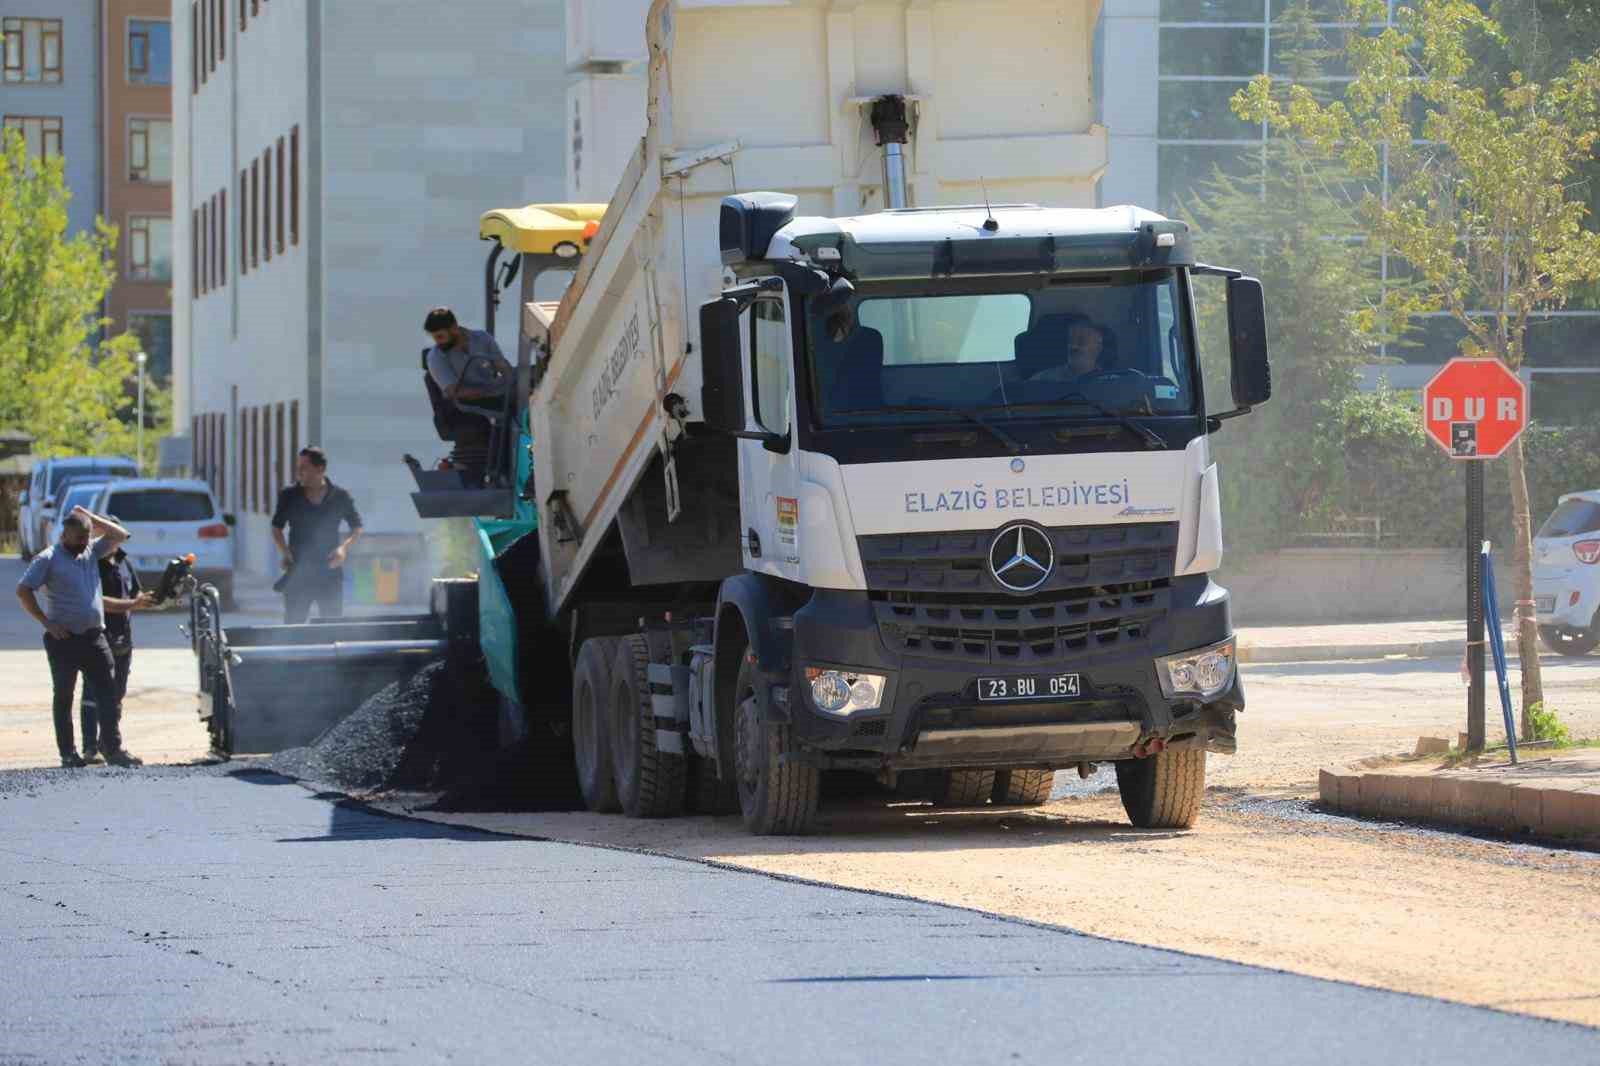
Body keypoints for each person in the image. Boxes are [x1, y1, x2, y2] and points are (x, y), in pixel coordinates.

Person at [15, 506, 143, 768]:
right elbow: (23, 590)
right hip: (64, 640)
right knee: (64, 696)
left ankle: (112, 748)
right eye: (78, 538)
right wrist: (46, 622)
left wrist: (91, 517)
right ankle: (68, 753)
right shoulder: (48, 558)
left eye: (86, 537)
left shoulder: (90, 552)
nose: (83, 543)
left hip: (95, 638)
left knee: (108, 694)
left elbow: (121, 535)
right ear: (64, 535)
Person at [271, 446, 364, 625]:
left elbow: (357, 526)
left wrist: (343, 549)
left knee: (332, 628)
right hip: (298, 573)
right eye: (298, 467)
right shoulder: (289, 496)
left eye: (304, 467)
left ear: (320, 469)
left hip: (329, 572)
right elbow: (276, 527)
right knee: (292, 628)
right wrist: (285, 552)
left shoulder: (340, 496)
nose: (299, 472)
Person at [80, 544, 155, 764]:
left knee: (116, 696)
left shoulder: (124, 562)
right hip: (98, 637)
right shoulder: (90, 565)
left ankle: (109, 744)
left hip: (123, 638)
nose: (114, 543)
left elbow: (136, 592)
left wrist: (148, 599)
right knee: (93, 696)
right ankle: (90, 747)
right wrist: (133, 603)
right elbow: (98, 601)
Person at [423, 306, 514, 485]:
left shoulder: (482, 339)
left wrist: (512, 379)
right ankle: (501, 472)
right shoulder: (436, 357)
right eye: (435, 338)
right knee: (505, 414)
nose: (438, 342)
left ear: (454, 327)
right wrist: (491, 391)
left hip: (493, 396)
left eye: (441, 336)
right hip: (463, 405)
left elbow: (501, 365)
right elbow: (453, 391)